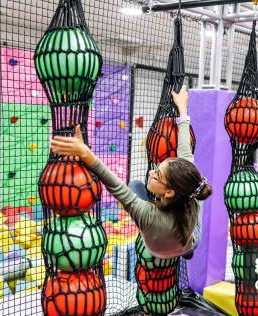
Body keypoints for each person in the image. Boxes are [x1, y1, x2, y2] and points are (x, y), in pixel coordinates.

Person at [50, 85, 212, 260]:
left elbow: (116, 187)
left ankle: (181, 245)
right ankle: (187, 251)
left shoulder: (147, 215)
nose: (151, 172)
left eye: (157, 174)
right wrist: (182, 108)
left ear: (169, 192)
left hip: (157, 251)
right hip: (189, 242)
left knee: (134, 185)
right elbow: (185, 151)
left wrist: (85, 153)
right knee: (194, 193)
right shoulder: (192, 190)